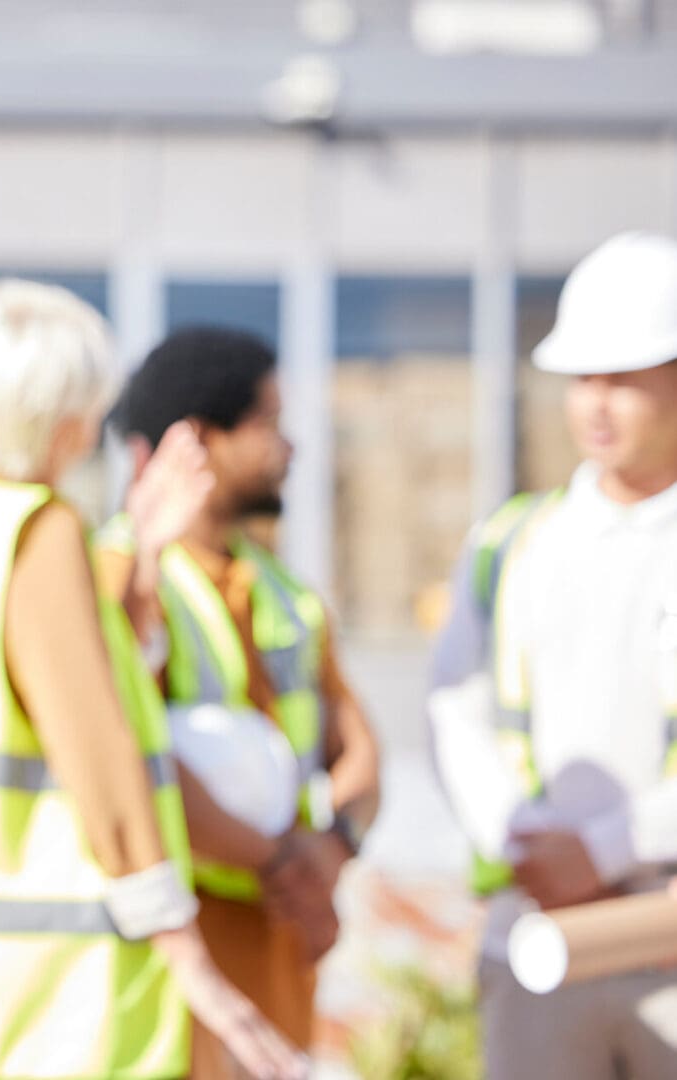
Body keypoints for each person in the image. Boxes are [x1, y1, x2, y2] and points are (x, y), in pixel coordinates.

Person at [0, 281, 307, 1080]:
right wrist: (192, 965)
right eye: (90, 411)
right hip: (42, 1012)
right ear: (61, 417)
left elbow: (11, 700)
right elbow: (103, 768)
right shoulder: (34, 529)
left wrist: (144, 557)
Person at [99, 327, 381, 1079]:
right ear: (197, 440)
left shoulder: (285, 593)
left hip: (279, 959)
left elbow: (358, 751)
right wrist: (285, 864)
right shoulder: (115, 574)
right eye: (266, 423)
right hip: (172, 968)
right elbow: (124, 757)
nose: (288, 447)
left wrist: (332, 848)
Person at [429, 231, 677, 1078]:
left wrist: (603, 849)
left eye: (624, 379)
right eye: (582, 380)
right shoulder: (511, 542)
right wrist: (526, 841)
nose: (596, 404)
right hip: (535, 943)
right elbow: (453, 711)